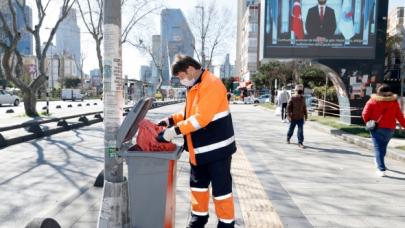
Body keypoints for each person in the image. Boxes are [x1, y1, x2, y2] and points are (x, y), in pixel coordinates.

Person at [156, 55, 237, 228]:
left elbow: (201, 119)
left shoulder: (212, 84)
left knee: (221, 191)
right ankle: (198, 220)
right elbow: (188, 113)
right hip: (198, 151)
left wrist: (173, 132)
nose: (181, 80)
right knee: (198, 189)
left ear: (190, 69)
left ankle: (226, 223)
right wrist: (169, 120)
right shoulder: (195, 86)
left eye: (181, 76)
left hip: (217, 152)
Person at [362, 84, 405, 177]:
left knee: (378, 148)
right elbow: (400, 116)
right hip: (390, 129)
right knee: (383, 147)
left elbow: (365, 114)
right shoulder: (394, 102)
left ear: (378, 92)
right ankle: (379, 162)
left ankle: (381, 169)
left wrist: (369, 122)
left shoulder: (372, 101)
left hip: (376, 128)